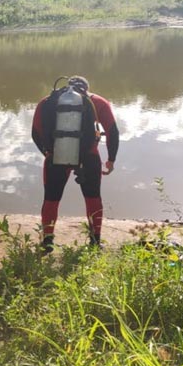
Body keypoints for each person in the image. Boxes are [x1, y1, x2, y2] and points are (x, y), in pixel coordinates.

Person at [31, 76, 120, 253]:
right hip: (89, 157)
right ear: (86, 88)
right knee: (93, 198)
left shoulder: (47, 102)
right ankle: (95, 242)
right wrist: (111, 159)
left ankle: (47, 242)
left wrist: (48, 152)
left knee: (51, 199)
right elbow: (112, 132)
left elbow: (35, 133)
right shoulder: (98, 102)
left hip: (55, 158)